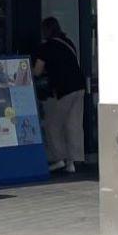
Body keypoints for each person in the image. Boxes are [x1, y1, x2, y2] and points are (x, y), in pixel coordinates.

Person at [30, 17, 88, 174]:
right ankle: (74, 160)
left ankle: (59, 158)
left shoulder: (46, 48)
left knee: (52, 125)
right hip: (80, 86)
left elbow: (37, 71)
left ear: (45, 30)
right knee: (73, 124)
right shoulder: (68, 42)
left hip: (64, 89)